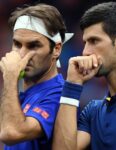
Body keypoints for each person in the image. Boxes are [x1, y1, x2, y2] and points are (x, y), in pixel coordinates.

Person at [52, 1, 116, 150]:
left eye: (94, 41)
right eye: (85, 42)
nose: (85, 52)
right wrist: (72, 85)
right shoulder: (93, 111)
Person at [0, 3, 73, 150]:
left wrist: (9, 78)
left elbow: (10, 133)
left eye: (33, 46)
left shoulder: (59, 95)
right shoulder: (19, 91)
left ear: (56, 49)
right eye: (17, 44)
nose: (22, 54)